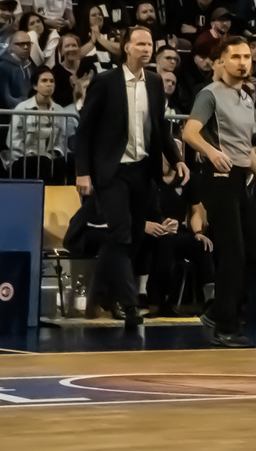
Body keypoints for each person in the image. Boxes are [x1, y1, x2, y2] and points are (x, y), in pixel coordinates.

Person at [73, 26, 186, 329]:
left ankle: (101, 293)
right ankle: (131, 306)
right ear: (126, 48)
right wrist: (82, 172)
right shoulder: (106, 82)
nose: (147, 49)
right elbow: (84, 130)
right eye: (140, 44)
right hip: (112, 170)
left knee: (132, 238)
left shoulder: (154, 82)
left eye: (149, 44)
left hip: (142, 169)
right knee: (121, 233)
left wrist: (176, 159)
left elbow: (161, 127)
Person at [182, 36, 256, 348]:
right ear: (221, 62)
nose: (243, 62)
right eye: (236, 57)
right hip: (217, 178)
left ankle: (216, 311)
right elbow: (188, 132)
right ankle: (225, 327)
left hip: (240, 179)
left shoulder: (247, 97)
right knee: (234, 254)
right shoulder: (210, 94)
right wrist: (211, 152)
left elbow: (245, 149)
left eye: (247, 57)